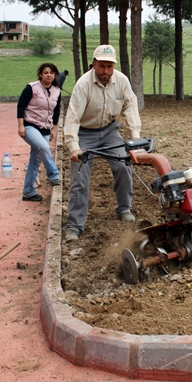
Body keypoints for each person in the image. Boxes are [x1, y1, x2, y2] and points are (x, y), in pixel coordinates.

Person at [63, 45, 142, 241]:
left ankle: (124, 208)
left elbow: (131, 106)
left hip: (109, 131)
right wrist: (74, 147)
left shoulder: (121, 81)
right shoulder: (83, 85)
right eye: (101, 66)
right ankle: (74, 225)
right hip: (84, 132)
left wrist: (136, 139)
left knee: (123, 166)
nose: (105, 71)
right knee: (80, 178)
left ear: (113, 66)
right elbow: (72, 117)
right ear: (94, 64)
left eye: (109, 66)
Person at [17, 62, 62, 201]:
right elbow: (21, 106)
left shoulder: (56, 90)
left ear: (55, 75)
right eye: (46, 72)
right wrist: (20, 126)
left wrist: (54, 128)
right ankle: (54, 174)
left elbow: (57, 111)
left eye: (51, 73)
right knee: (44, 147)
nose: (49, 75)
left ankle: (28, 191)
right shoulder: (32, 88)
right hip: (30, 125)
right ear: (40, 74)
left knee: (35, 161)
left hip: (46, 128)